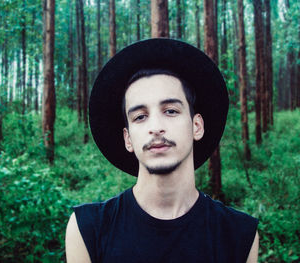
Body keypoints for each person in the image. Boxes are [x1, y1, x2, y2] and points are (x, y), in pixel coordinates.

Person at [65, 38, 259, 263]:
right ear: (128, 138)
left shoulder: (239, 234)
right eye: (140, 117)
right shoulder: (88, 229)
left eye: (170, 111)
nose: (155, 127)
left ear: (196, 126)